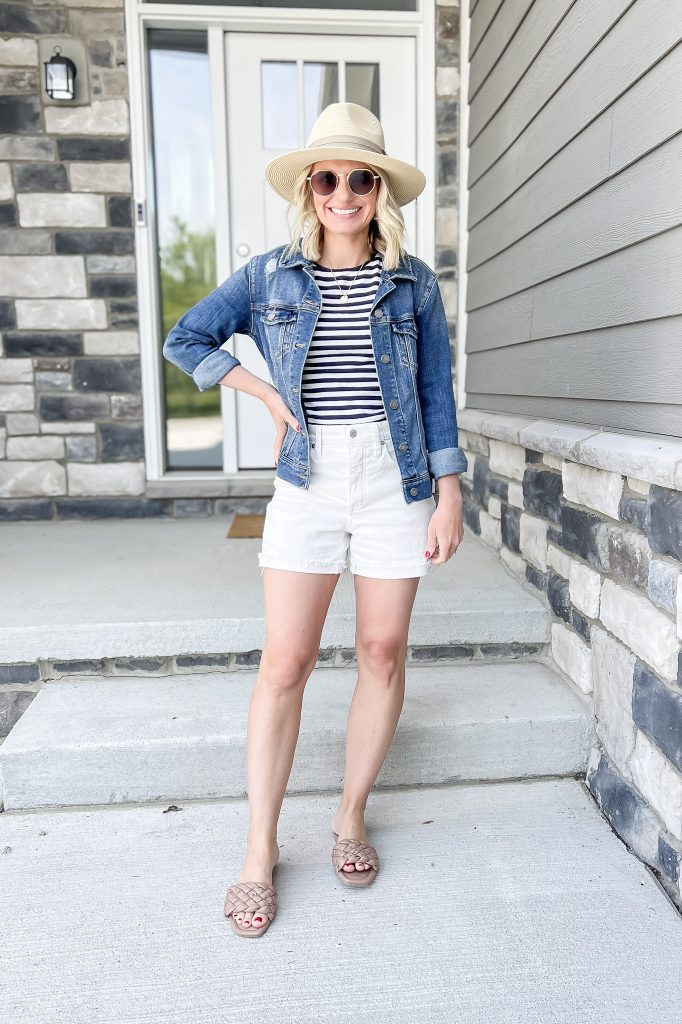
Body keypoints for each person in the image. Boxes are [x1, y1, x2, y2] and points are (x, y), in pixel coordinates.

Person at [162, 102, 468, 938]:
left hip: (394, 478)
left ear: (379, 190)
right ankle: (259, 850)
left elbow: (436, 394)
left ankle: (350, 815)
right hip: (307, 476)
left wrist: (450, 491)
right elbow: (186, 337)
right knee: (286, 661)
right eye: (327, 177)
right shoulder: (269, 277)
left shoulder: (412, 283)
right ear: (310, 188)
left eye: (359, 177)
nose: (343, 192)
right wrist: (261, 389)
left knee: (380, 649)